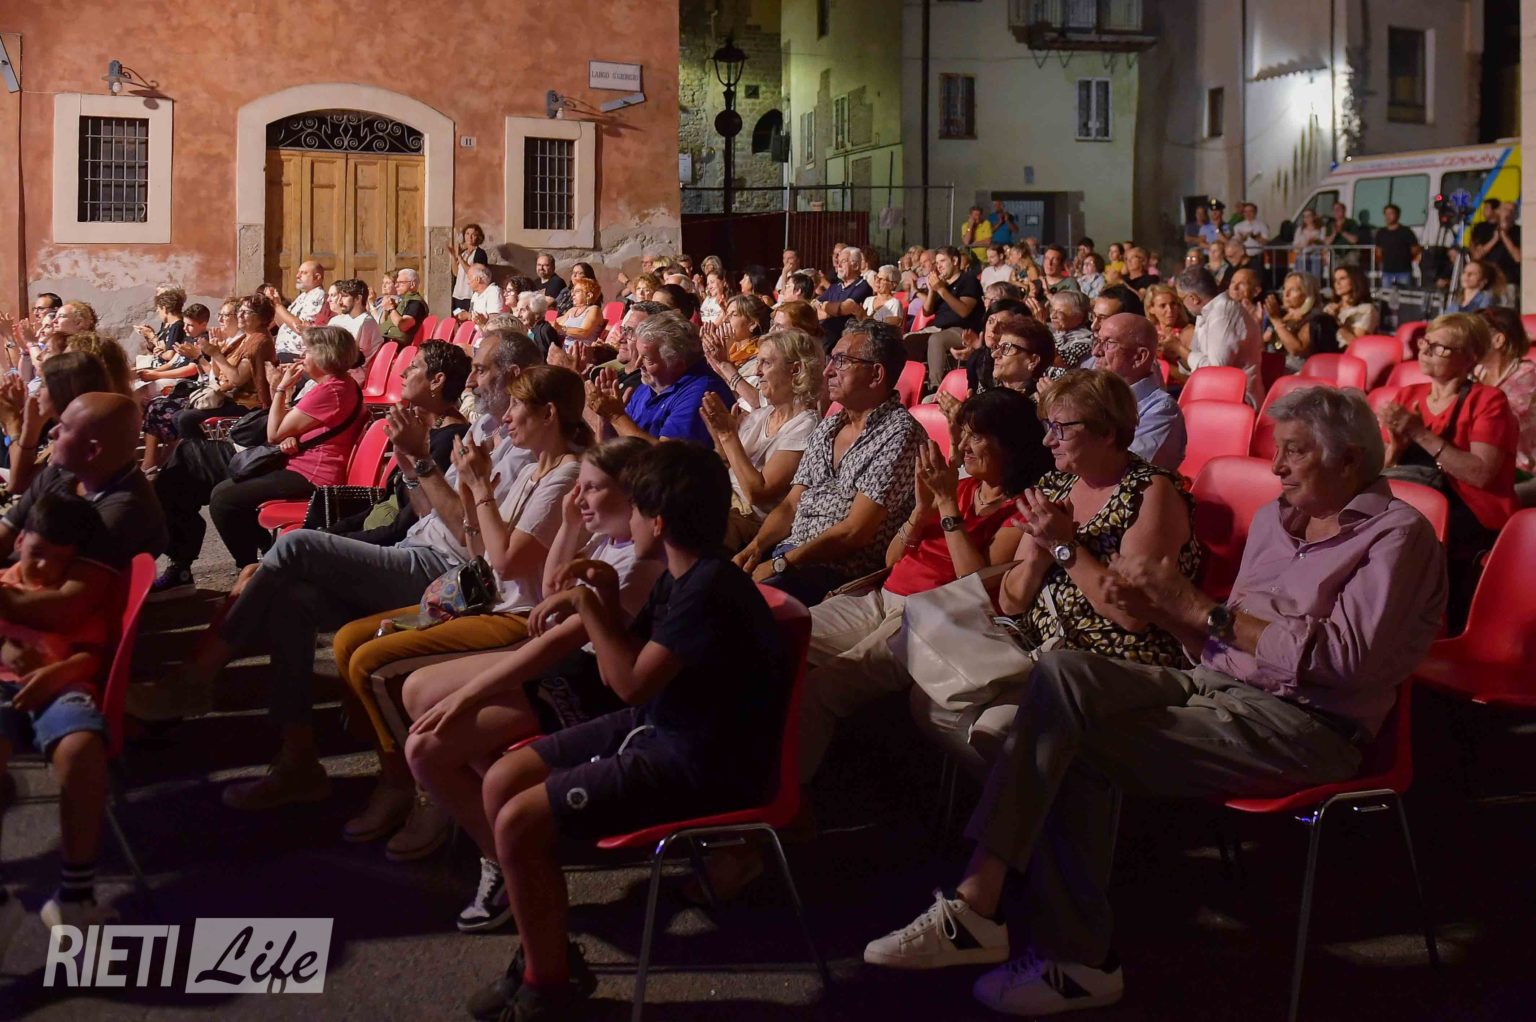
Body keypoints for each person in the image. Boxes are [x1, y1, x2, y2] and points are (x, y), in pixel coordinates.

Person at [864, 386, 1446, 1019]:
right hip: (1214, 681)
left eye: (1294, 452)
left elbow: (1343, 661)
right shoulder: (1279, 519)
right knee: (1062, 675)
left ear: (1349, 459)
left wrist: (1196, 607)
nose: (1276, 466)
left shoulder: (1398, 536)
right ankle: (985, 908)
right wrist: (1167, 612)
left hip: (1306, 724)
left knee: (1067, 743)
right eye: (1278, 450)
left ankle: (1061, 953)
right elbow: (1216, 637)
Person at [458, 441, 787, 1020]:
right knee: (501, 779)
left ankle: (546, 987)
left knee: (517, 820)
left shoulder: (708, 589)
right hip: (663, 726)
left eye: (634, 509)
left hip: (704, 762)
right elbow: (629, 669)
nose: (627, 519)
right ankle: (546, 951)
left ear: (657, 523)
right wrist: (607, 599)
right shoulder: (683, 576)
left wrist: (588, 607)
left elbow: (629, 684)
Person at [399, 437, 665, 935]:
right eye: (579, 488)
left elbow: (557, 642)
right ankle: (511, 828)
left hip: (589, 690)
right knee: (417, 691)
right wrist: (568, 525)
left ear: (631, 493)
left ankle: (501, 858)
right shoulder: (609, 537)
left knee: (426, 750)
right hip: (561, 669)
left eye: (591, 489)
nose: (580, 498)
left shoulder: (641, 561)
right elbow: (550, 593)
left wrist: (470, 694)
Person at [324, 366, 590, 850]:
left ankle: (416, 790)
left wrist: (482, 488)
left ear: (549, 414)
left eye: (517, 406)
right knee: (347, 641)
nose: (506, 417)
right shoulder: (534, 469)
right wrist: (468, 491)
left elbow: (507, 563)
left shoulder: (567, 475)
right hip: (490, 601)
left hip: (519, 617)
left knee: (371, 663)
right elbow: (479, 551)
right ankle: (401, 775)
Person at [798, 388, 1050, 783]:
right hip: (881, 598)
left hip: (925, 621)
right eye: (963, 434)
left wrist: (947, 506)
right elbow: (892, 559)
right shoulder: (962, 488)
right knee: (784, 637)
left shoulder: (1018, 510)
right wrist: (921, 510)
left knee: (822, 687)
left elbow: (978, 586)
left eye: (976, 436)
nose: (962, 447)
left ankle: (788, 802)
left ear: (1010, 444)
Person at [0, 394, 166, 930]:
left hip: (67, 674)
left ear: (92, 449)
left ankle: (75, 894)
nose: (52, 432)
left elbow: (71, 612)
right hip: (19, 676)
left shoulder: (121, 508)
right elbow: (9, 531)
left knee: (80, 748)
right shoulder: (61, 477)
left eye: (61, 427)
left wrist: (60, 670)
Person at [735, 321, 927, 605]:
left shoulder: (900, 434)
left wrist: (781, 564)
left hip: (839, 572)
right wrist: (754, 547)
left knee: (738, 607)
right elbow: (791, 504)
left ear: (876, 374)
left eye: (842, 361)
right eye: (831, 359)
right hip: (790, 556)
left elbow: (854, 532)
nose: (827, 371)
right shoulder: (830, 426)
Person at [1379, 312, 1519, 626]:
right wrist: (1396, 448)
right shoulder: (1408, 395)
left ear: (1470, 359)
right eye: (1425, 343)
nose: (1426, 351)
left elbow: (1481, 474)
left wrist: (1419, 434)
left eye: (1440, 348)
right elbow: (1388, 471)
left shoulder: (1488, 401)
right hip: (1415, 505)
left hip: (1470, 511)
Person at [206, 326, 365, 570]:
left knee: (223, 500)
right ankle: (265, 554)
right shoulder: (340, 385)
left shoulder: (331, 390)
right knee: (227, 490)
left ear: (324, 356)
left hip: (313, 474)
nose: (302, 355)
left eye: (307, 351)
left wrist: (280, 388)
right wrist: (290, 431)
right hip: (305, 463)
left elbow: (273, 433)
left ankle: (248, 567)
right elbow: (296, 425)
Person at [699, 329, 824, 549]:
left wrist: (728, 436)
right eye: (757, 363)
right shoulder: (762, 415)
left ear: (795, 370)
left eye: (766, 363)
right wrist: (718, 437)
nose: (757, 372)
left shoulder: (805, 426)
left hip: (744, 518)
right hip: (721, 497)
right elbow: (727, 463)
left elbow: (758, 494)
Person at [585, 311, 732, 447]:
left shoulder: (702, 394)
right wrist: (604, 417)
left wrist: (616, 416)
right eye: (639, 355)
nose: (638, 364)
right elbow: (608, 449)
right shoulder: (651, 384)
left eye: (647, 359)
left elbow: (666, 457)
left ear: (678, 363)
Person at [1092, 314, 1187, 471]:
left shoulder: (1162, 412)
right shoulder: (1096, 394)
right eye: (1097, 341)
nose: (1096, 351)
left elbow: (1115, 470)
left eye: (1109, 343)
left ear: (1139, 357)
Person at [1172, 266, 1264, 406]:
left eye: (1181, 300)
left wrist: (1179, 349)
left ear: (1193, 298)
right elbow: (1195, 362)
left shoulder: (1223, 314)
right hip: (1211, 394)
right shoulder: (1204, 313)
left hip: (1239, 401)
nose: (1182, 305)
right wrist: (1175, 352)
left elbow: (1217, 371)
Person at [914, 246, 985, 388]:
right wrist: (932, 290)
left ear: (955, 261)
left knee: (936, 340)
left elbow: (964, 311)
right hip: (938, 328)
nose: (938, 266)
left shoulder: (968, 281)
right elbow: (927, 312)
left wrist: (941, 289)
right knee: (908, 340)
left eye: (942, 261)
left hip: (964, 330)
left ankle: (934, 388)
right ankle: (914, 386)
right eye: (936, 263)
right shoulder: (942, 284)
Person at [1476, 308, 1536, 476]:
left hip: (1522, 468)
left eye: (1473, 335)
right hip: (1485, 464)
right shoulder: (1478, 372)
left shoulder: (1527, 375)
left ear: (1498, 340)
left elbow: (1497, 424)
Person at [700, 293, 772, 407]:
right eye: (726, 314)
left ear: (752, 323)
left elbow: (756, 401)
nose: (725, 319)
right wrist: (709, 353)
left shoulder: (761, 356)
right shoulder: (729, 348)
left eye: (733, 315)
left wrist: (724, 363)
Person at [1263, 272, 1339, 372]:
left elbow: (1297, 349)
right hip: (1275, 370)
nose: (1286, 294)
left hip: (1302, 374)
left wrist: (1276, 321)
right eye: (1284, 288)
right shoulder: (1280, 315)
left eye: (1293, 290)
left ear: (1308, 294)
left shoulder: (1318, 319)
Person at [327, 278, 385, 383]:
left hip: (353, 375)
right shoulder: (344, 319)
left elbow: (350, 358)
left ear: (358, 298)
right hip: (338, 370)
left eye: (344, 297)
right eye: (340, 297)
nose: (340, 301)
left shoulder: (365, 322)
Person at [271, 260, 330, 362]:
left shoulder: (318, 295)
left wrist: (279, 305)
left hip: (296, 354)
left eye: (304, 273)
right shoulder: (303, 296)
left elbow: (299, 327)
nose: (297, 276)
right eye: (298, 272)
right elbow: (283, 324)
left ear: (317, 277)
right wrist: (275, 303)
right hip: (283, 351)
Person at [817, 246, 874, 352]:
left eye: (843, 261)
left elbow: (844, 308)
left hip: (844, 341)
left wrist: (824, 307)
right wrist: (830, 311)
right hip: (824, 337)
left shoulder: (863, 286)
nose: (838, 265)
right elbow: (814, 306)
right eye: (838, 262)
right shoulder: (835, 286)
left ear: (856, 266)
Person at [1468, 200, 1521, 289]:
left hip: (1509, 281)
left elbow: (1518, 258)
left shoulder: (1519, 231)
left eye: (1512, 210)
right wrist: (1494, 240)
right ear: (1498, 211)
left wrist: (1504, 235)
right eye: (1505, 209)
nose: (1508, 212)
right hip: (1486, 279)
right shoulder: (1483, 228)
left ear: (1516, 215)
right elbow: (1476, 256)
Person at [1324, 265, 1380, 343]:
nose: (1337, 283)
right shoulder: (1331, 307)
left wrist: (1336, 322)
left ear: (1355, 280)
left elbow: (1356, 343)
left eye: (1342, 278)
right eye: (1335, 280)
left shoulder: (1366, 309)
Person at [1144, 284, 1193, 371]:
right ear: (1151, 309)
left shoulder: (1189, 331)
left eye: (1173, 304)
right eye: (1163, 306)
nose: (1170, 310)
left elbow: (1193, 370)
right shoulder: (1147, 334)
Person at [1375, 203, 1421, 290]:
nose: (1388, 216)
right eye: (1386, 214)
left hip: (1404, 272)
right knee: (1386, 296)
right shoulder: (1381, 233)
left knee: (1404, 295)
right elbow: (1378, 251)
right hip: (1387, 272)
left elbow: (1415, 249)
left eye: (1391, 213)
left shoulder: (1406, 231)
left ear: (1398, 215)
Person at [1044, 291, 1094, 369]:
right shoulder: (1056, 334)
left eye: (1060, 312)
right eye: (1053, 310)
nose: (1053, 316)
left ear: (1078, 317)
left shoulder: (1085, 341)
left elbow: (1060, 363)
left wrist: (1041, 327)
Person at [448, 224, 490, 314]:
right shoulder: (463, 253)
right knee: (457, 315)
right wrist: (453, 256)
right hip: (458, 294)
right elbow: (456, 273)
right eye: (467, 234)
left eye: (473, 234)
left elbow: (472, 273)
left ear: (478, 237)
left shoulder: (480, 253)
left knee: (468, 318)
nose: (469, 237)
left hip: (470, 295)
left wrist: (459, 257)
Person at [380, 268, 428, 345]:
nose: (396, 285)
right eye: (396, 282)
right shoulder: (404, 300)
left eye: (400, 282)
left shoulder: (415, 303)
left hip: (393, 344)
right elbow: (384, 323)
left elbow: (403, 325)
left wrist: (391, 308)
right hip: (382, 339)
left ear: (412, 284)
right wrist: (388, 309)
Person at [555, 278, 603, 353]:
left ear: (589, 295)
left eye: (577, 291)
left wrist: (560, 328)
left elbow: (583, 332)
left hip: (582, 353)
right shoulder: (572, 310)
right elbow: (556, 324)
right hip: (566, 351)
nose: (572, 294)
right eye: (573, 291)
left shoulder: (594, 309)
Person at [1291, 207, 1326, 278]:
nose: (1306, 218)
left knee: (1315, 277)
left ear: (1314, 217)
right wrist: (1305, 244)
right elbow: (1295, 244)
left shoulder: (1321, 229)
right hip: (1302, 255)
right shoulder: (1300, 229)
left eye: (1309, 216)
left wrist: (1314, 240)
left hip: (1315, 255)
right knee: (1302, 277)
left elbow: (1323, 242)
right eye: (1304, 216)